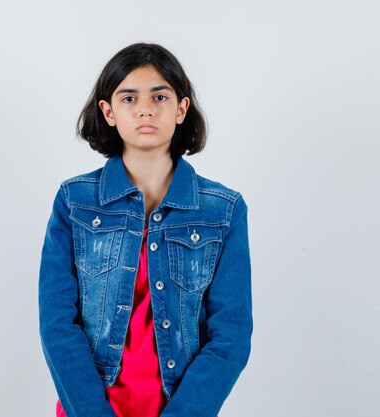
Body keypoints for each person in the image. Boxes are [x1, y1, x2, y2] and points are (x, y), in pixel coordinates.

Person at [38, 42, 252, 417]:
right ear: (108, 111)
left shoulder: (223, 210)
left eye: (159, 96)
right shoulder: (74, 202)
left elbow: (231, 336)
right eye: (129, 98)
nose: (145, 109)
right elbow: (57, 324)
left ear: (181, 109)